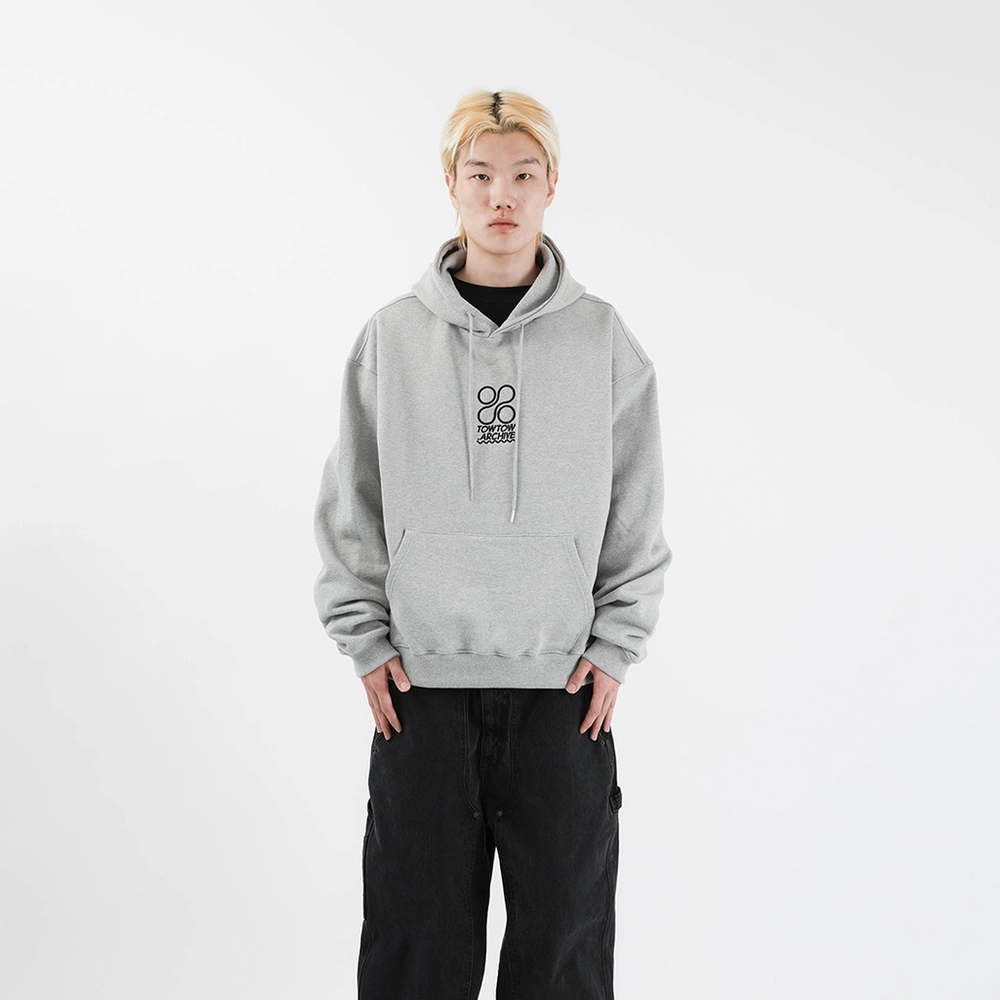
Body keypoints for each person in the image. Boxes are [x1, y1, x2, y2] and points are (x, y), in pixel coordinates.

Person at [312, 88, 672, 1000]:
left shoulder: (603, 340)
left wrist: (616, 646)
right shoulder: (393, 337)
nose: (501, 195)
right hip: (419, 697)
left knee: (562, 962)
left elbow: (638, 508)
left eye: (522, 174)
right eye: (480, 175)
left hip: (564, 699)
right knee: (414, 958)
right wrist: (365, 641)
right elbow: (352, 501)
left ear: (552, 185)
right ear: (451, 185)